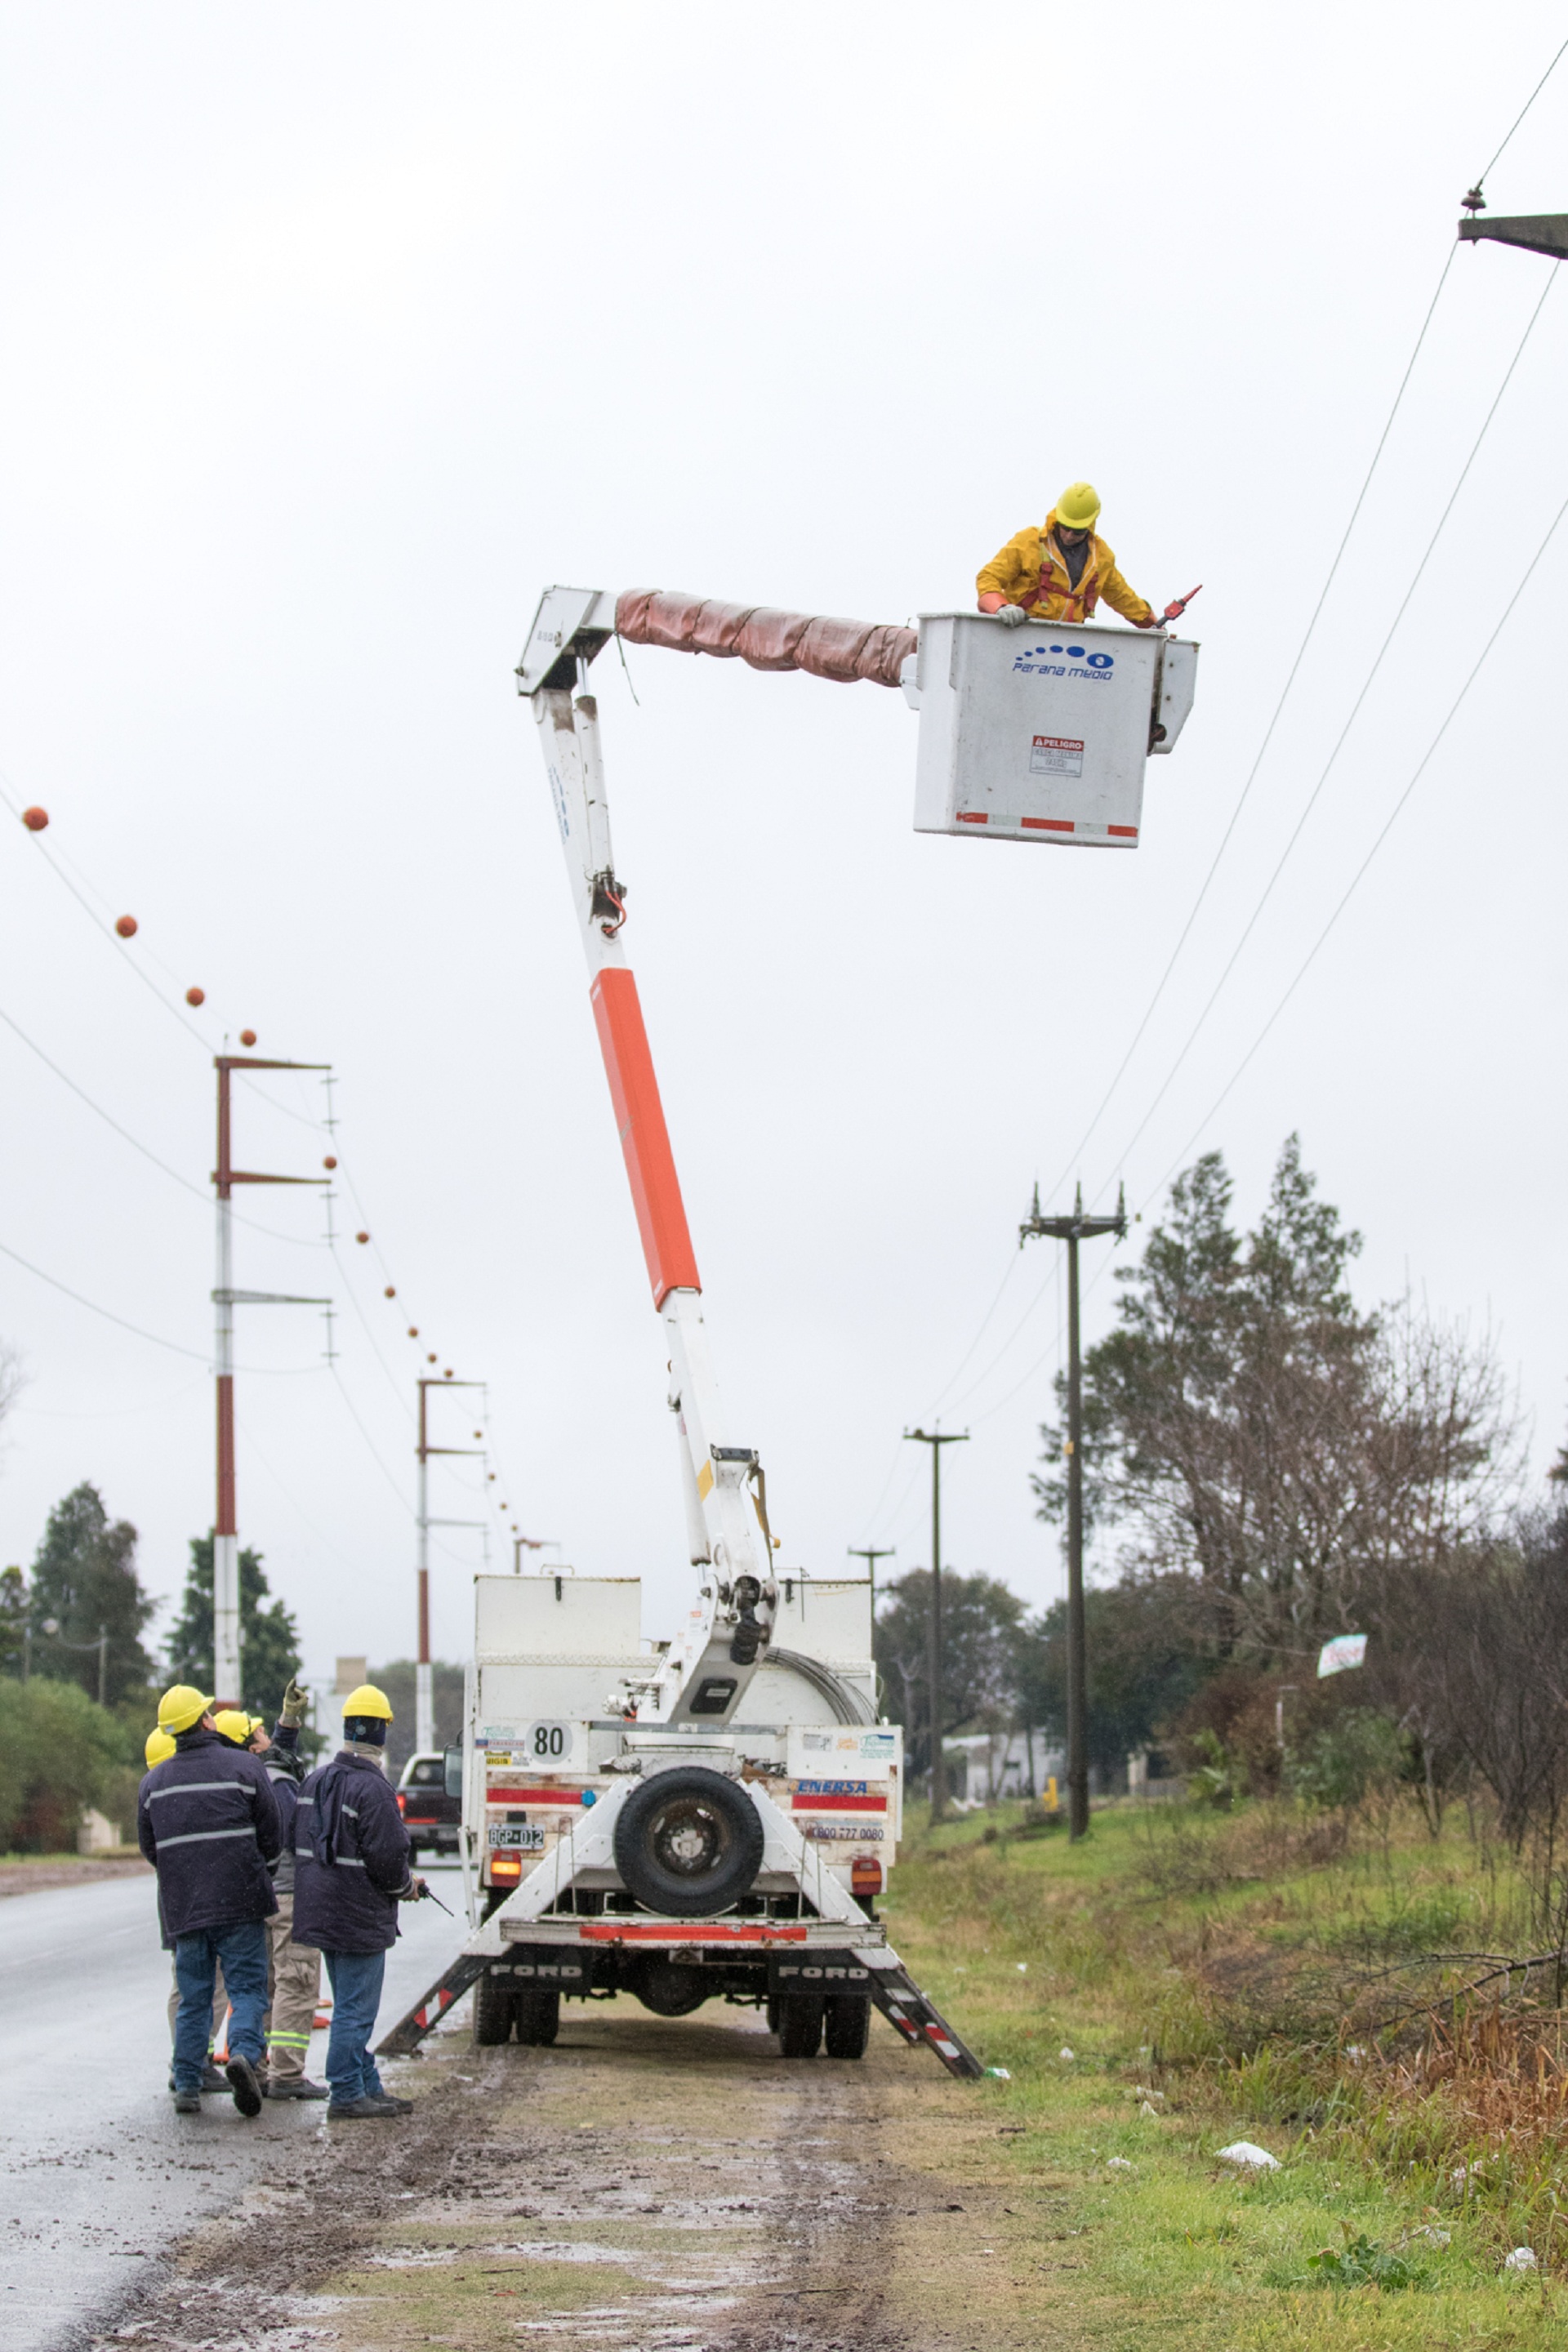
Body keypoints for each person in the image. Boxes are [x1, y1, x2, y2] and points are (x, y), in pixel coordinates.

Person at [137, 1684, 280, 2118]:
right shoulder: (244, 1767)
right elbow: (272, 1837)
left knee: (195, 1997)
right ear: (204, 1721)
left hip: (186, 1909)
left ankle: (186, 2084)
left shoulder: (153, 1783)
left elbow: (151, 1850)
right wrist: (259, 1874)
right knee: (248, 1989)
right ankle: (242, 2054)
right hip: (241, 1901)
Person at [292, 1683, 426, 2121]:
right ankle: (347, 2093)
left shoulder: (315, 1780)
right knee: (355, 2010)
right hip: (359, 1917)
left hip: (321, 1913)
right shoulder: (374, 1789)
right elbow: (389, 1860)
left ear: (348, 1728)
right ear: (381, 1733)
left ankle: (368, 2085)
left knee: (351, 2004)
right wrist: (408, 1886)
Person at [253, 1680, 327, 2100]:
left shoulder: (248, 1774)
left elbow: (277, 1756)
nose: (268, 1733)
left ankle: (265, 2065)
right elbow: (286, 1833)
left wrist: (289, 1720)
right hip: (287, 1895)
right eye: (260, 1732)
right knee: (296, 1980)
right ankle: (287, 2074)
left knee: (267, 1983)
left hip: (262, 1893)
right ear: (251, 1748)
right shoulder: (275, 1781)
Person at [977, 481, 1159, 631]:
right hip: (1020, 635)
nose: (1069, 536)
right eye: (1066, 527)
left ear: (1091, 525)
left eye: (1078, 531)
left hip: (1066, 647)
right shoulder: (1029, 542)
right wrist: (1001, 607)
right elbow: (988, 577)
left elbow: (1123, 598)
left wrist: (1155, 628)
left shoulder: (1100, 558)